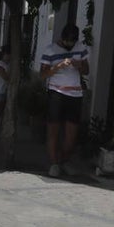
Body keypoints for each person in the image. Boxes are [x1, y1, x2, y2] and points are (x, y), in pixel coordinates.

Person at [39, 22, 90, 177]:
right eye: (67, 41)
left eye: (72, 42)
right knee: (53, 131)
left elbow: (86, 70)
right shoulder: (50, 50)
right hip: (56, 93)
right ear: (62, 38)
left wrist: (78, 66)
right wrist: (58, 66)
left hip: (75, 95)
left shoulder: (80, 48)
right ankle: (54, 164)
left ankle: (63, 159)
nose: (69, 45)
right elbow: (43, 74)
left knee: (71, 136)